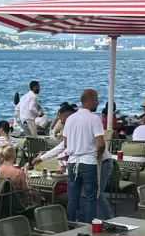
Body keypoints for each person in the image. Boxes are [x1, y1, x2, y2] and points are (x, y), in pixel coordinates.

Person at [33, 88, 112, 223]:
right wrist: (96, 153)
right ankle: (88, 226)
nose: (98, 103)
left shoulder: (70, 120)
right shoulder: (94, 119)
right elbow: (101, 144)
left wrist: (42, 157)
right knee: (91, 198)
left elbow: (65, 144)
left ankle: (70, 225)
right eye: (96, 100)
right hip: (89, 162)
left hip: (73, 163)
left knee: (73, 198)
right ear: (89, 101)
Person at [0, 143, 37, 209]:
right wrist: (25, 171)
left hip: (2, 204)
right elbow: (26, 192)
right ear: (13, 155)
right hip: (17, 205)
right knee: (35, 192)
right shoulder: (18, 173)